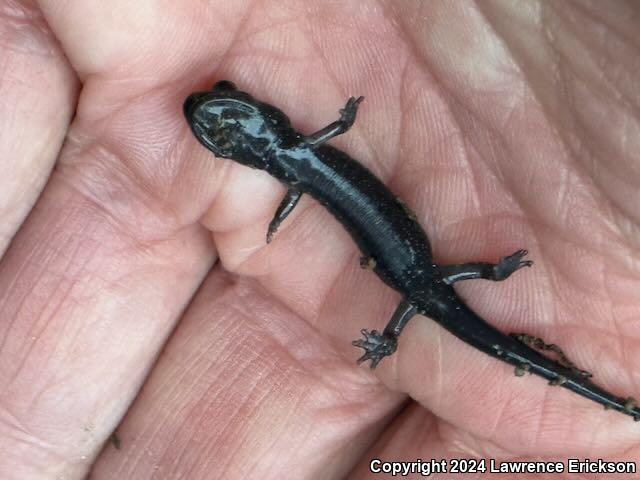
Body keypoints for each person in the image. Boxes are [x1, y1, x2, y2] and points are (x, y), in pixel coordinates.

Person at [1, 1, 639, 478]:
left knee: (456, 310)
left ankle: (604, 395)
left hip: (418, 288)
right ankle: (599, 391)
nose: (221, 108)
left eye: (228, 103)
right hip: (421, 282)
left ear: (262, 132)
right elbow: (335, 128)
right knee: (448, 298)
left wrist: (392, 330)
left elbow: (311, 169)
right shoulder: (303, 152)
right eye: (227, 119)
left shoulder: (295, 168)